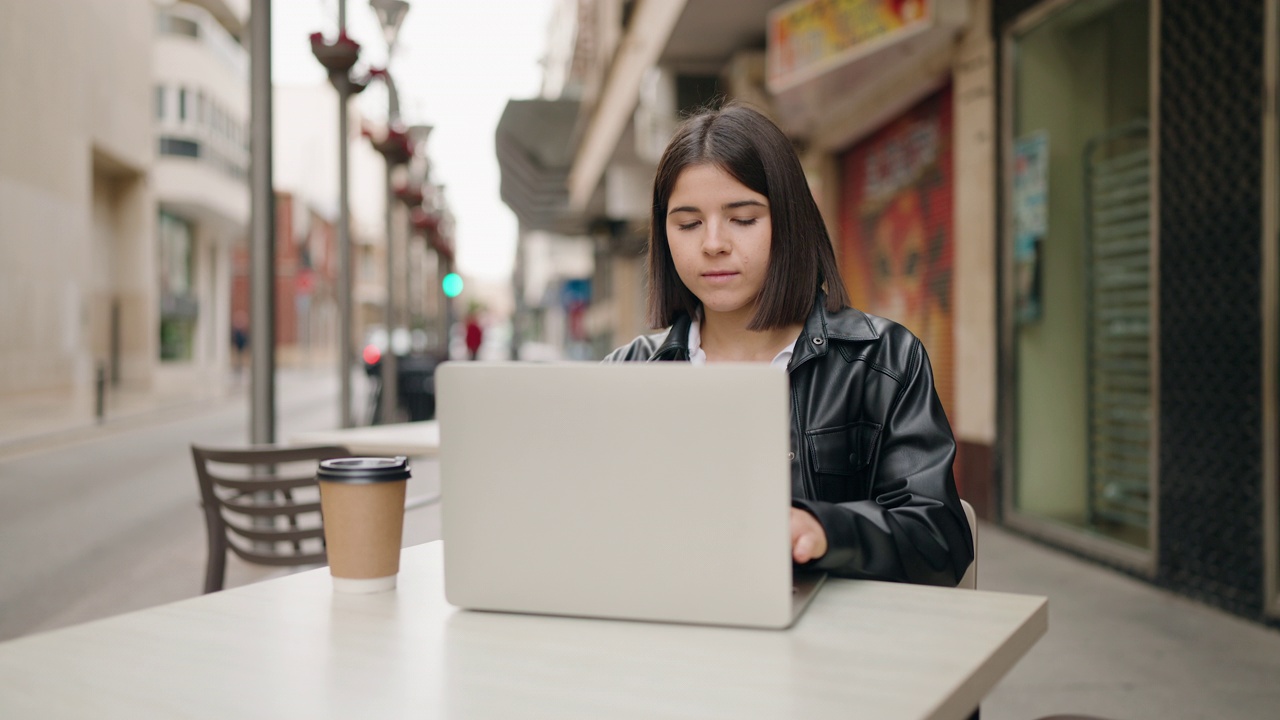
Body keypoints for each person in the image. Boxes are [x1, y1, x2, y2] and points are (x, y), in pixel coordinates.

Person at [604, 103, 973, 586]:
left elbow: (938, 538)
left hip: (831, 647)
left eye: (743, 218)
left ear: (790, 223)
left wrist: (823, 529)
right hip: (668, 631)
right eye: (688, 223)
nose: (713, 243)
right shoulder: (627, 371)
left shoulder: (882, 359)